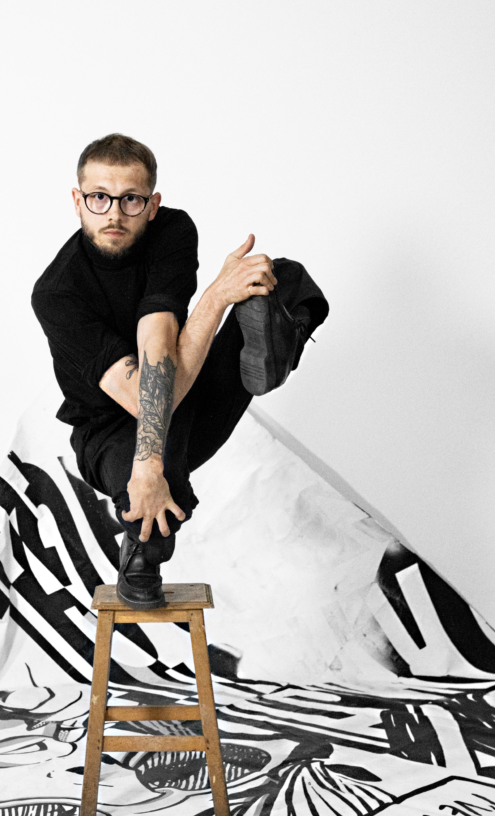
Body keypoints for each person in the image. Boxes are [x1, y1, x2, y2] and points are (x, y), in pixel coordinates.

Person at [32, 133, 328, 610]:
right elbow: (142, 398)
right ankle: (142, 554)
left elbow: (158, 336)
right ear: (77, 200)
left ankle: (272, 346)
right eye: (99, 197)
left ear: (152, 205)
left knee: (276, 275)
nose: (114, 214)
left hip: (189, 394)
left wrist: (224, 294)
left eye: (131, 199)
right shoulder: (57, 293)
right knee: (149, 483)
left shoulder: (172, 230)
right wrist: (148, 470)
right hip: (109, 432)